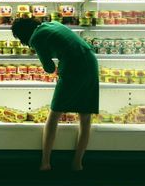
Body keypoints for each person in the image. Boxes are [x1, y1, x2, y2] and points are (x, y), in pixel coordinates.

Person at [11, 17, 99, 171]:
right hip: (90, 62)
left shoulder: (36, 38)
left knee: (54, 114)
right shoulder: (52, 24)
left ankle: (45, 163)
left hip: (74, 67)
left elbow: (49, 68)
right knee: (85, 117)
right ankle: (77, 163)